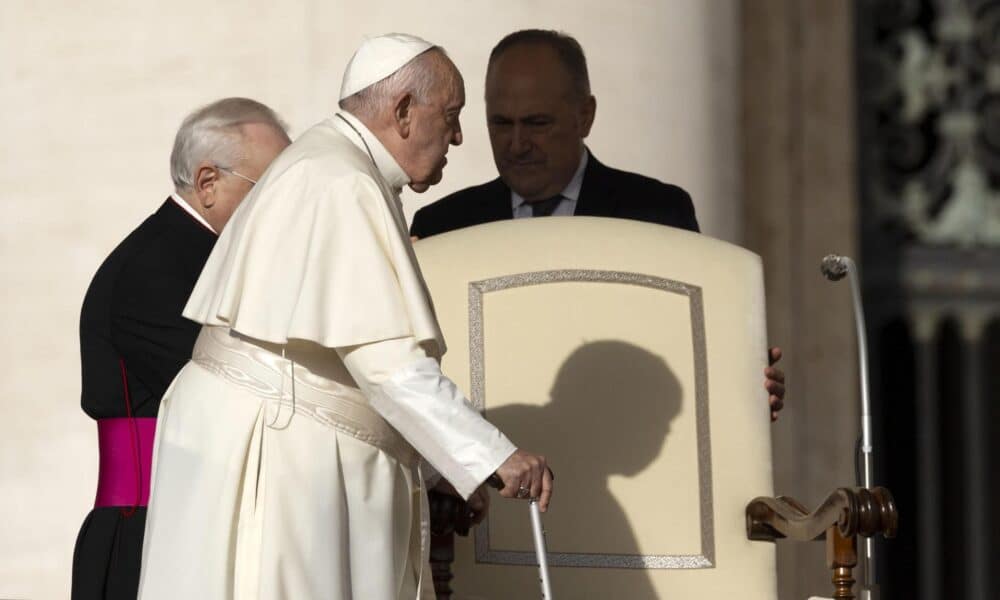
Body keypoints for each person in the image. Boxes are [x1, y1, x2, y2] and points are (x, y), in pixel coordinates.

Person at [137, 34, 552, 600]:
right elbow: (386, 365)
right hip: (280, 454)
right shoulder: (341, 180)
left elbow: (337, 364)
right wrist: (493, 456)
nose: (457, 136)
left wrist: (440, 468)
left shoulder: (330, 163)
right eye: (449, 116)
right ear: (403, 111)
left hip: (269, 435)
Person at [411, 29, 785, 418]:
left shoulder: (656, 215)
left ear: (584, 116)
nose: (517, 143)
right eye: (502, 123)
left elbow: (691, 345)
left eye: (537, 123)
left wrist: (745, 384)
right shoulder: (445, 227)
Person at [72, 98, 291, 600]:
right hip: (148, 534)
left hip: (198, 522)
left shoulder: (207, 256)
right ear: (208, 181)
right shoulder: (154, 268)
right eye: (271, 189)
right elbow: (239, 391)